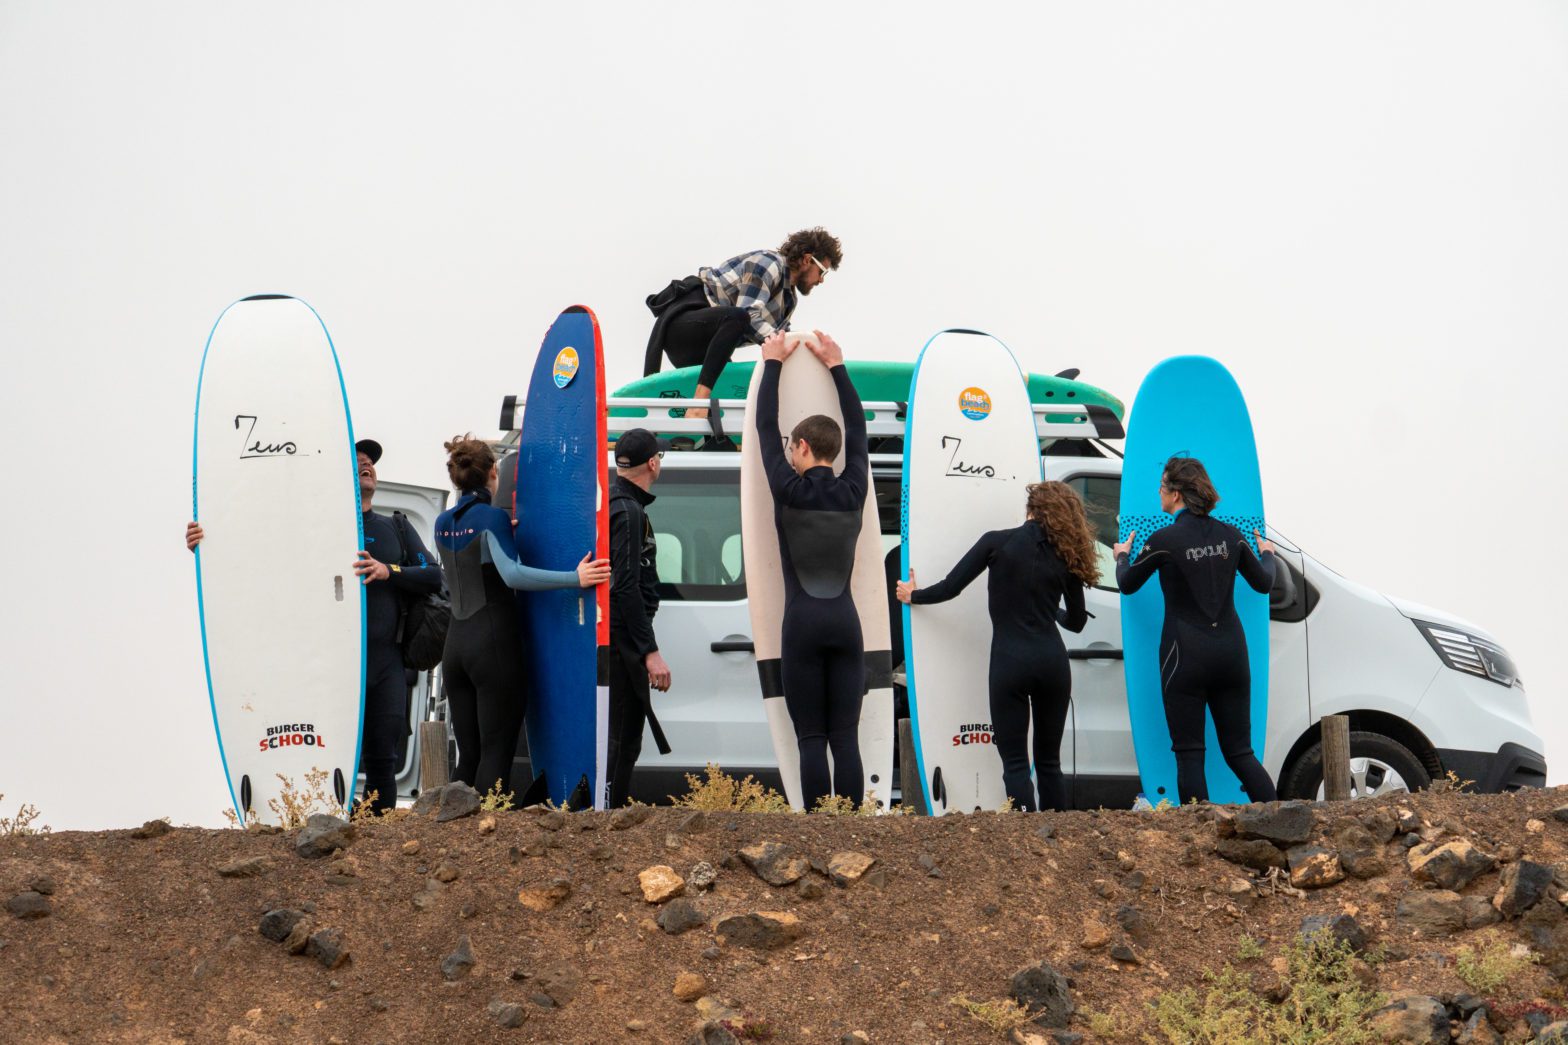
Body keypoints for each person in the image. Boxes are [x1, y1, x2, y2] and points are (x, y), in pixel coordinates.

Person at [187, 439, 445, 815]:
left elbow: (433, 576)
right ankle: (327, 828)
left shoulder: (396, 528)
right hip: (333, 665)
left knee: (383, 758)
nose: (366, 464)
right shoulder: (319, 529)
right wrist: (206, 544)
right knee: (324, 756)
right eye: (356, 462)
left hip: (385, 661)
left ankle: (382, 843)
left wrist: (387, 571)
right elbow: (259, 555)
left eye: (370, 461)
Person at [896, 482, 1098, 812]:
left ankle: (1026, 840)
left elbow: (950, 587)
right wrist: (1053, 611)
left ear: (1030, 510)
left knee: (1016, 764)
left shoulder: (996, 542)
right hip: (1052, 663)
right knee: (1049, 763)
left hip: (1010, 662)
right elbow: (1076, 622)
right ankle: (1060, 846)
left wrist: (913, 595)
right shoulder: (1067, 555)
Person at [432, 435, 609, 798]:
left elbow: (473, 559)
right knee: (496, 753)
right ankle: (485, 840)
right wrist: (574, 579)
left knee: (469, 755)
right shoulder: (493, 517)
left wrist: (501, 536)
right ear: (493, 472)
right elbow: (512, 575)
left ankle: (452, 843)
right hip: (492, 646)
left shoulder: (442, 521)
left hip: (455, 650)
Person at [1112, 455, 1279, 805]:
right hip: (1232, 654)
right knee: (1240, 753)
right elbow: (1264, 583)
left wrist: (1122, 555)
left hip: (1184, 656)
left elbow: (1127, 583)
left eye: (1161, 486)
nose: (1158, 492)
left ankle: (1201, 846)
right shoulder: (1231, 536)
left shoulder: (1163, 539)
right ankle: (1283, 822)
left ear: (1175, 495)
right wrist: (1267, 553)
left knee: (1189, 754)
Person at [755, 329, 868, 810]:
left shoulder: (788, 488)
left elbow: (763, 428)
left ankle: (818, 831)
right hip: (846, 623)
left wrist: (773, 363)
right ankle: (851, 827)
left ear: (800, 446)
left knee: (811, 737)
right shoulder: (854, 489)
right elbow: (858, 428)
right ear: (835, 450)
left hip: (801, 624)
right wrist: (837, 365)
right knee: (846, 737)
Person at [644, 228, 843, 417]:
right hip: (683, 328)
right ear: (807, 260)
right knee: (739, 317)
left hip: (708, 348)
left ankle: (703, 436)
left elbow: (780, 342)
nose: (821, 281)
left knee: (730, 385)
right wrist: (785, 345)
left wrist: (810, 355)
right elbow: (749, 314)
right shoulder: (768, 263)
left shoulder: (789, 300)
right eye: (822, 272)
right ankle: (698, 406)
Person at [604, 428, 674, 807]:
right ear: (652, 462)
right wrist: (650, 651)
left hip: (618, 637)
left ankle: (609, 812)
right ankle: (609, 821)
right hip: (623, 643)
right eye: (659, 457)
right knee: (624, 737)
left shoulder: (617, 503)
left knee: (623, 734)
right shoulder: (628, 511)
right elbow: (625, 586)